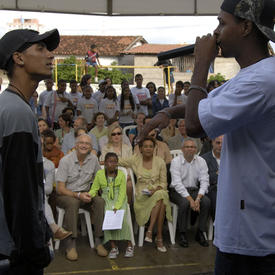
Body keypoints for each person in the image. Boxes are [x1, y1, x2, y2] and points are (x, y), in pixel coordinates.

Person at [140, 0, 275, 273]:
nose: (215, 33)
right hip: (244, 226)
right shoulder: (250, 76)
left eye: (222, 23)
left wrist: (201, 63)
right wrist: (167, 112)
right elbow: (202, 104)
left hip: (254, 236)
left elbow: (194, 124)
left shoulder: (263, 80)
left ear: (246, 27)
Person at [0, 28, 60, 274]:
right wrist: (34, 251)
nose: (50, 55)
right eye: (41, 48)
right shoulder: (17, 112)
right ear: (19, 58)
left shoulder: (11, 105)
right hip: (15, 251)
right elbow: (20, 189)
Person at [56, 134, 107, 260]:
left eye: (87, 144)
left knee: (100, 201)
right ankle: (71, 244)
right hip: (67, 195)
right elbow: (60, 189)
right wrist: (77, 195)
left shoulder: (94, 159)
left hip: (86, 193)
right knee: (73, 203)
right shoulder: (65, 161)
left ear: (91, 147)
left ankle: (98, 240)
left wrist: (93, 193)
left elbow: (98, 180)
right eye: (81, 143)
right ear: (76, 144)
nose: (84, 145)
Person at [119, 137, 172, 252]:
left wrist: (155, 190)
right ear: (141, 149)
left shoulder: (160, 162)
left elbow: (164, 183)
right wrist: (100, 160)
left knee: (161, 195)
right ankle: (159, 237)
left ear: (154, 148)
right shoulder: (135, 159)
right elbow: (117, 161)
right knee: (162, 199)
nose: (148, 148)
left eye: (151, 146)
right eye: (145, 146)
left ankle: (150, 232)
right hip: (142, 195)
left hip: (157, 191)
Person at [89, 153, 134, 258]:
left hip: (119, 200)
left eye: (115, 162)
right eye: (110, 161)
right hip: (106, 199)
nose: (112, 164)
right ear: (105, 163)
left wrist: (117, 206)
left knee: (120, 216)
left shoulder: (121, 175)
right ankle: (113, 246)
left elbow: (123, 192)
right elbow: (94, 189)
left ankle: (129, 244)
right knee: (107, 216)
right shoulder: (100, 174)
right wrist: (88, 195)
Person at [170, 138, 210, 248]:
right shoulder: (175, 161)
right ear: (182, 149)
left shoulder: (201, 161)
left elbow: (205, 181)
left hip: (194, 190)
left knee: (206, 202)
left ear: (196, 149)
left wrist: (197, 199)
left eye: (192, 147)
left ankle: (200, 232)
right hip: (177, 191)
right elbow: (177, 184)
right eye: (187, 147)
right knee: (184, 203)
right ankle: (182, 233)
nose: (190, 149)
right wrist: (191, 200)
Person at [43, 157, 72, 241]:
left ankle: (54, 229)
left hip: (38, 198)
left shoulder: (48, 165)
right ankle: (54, 229)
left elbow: (48, 189)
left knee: (40, 196)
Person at [201, 136, 223, 221]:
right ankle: (217, 229)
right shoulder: (204, 159)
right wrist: (217, 174)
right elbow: (202, 178)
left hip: (228, 188)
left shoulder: (230, 157)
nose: (220, 145)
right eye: (218, 143)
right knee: (218, 200)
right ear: (212, 143)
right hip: (212, 189)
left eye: (223, 144)